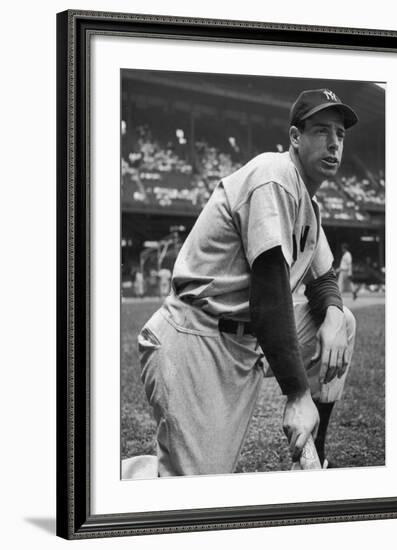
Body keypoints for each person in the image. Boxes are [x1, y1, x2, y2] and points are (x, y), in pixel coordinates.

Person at [138, 88, 358, 476]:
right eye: (322, 131)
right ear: (294, 137)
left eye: (340, 134)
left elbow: (324, 279)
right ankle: (108, 489)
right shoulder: (273, 176)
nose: (334, 143)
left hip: (244, 343)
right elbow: (270, 291)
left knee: (344, 324)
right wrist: (297, 394)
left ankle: (312, 464)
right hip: (197, 341)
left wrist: (336, 316)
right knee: (194, 493)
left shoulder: (308, 202)